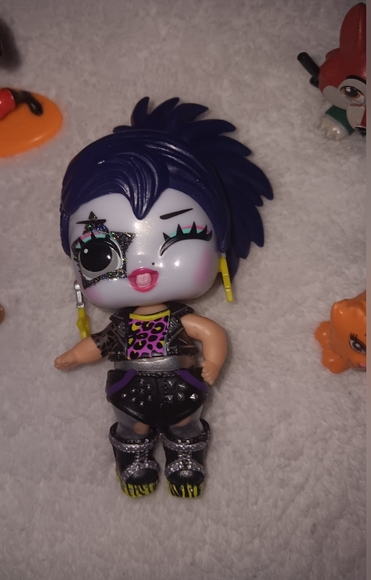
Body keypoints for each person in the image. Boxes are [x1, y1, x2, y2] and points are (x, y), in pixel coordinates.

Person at [55, 97, 273, 498]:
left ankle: (185, 457)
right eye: (99, 252)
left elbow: (211, 333)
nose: (142, 269)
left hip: (182, 383)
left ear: (221, 244)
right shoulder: (121, 326)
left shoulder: (179, 320)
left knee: (186, 423)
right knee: (132, 425)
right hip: (130, 387)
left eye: (181, 237)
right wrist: (73, 356)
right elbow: (99, 344)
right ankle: (133, 459)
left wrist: (213, 362)